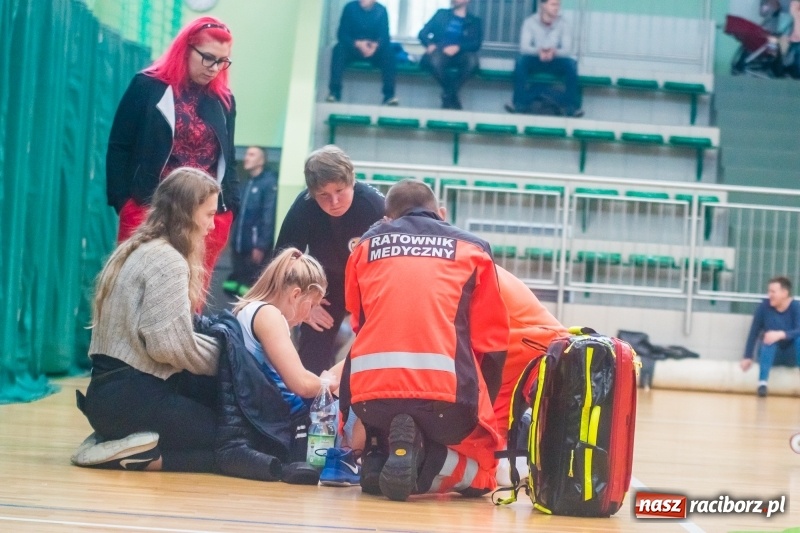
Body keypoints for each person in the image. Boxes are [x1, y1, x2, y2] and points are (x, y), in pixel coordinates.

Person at [340, 179, 509, 501]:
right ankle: (427, 461)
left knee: (368, 353)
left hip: (369, 397)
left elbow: (359, 323)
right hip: (445, 401)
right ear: (440, 213)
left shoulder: (364, 247)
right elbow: (494, 346)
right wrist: (479, 412)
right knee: (484, 479)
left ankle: (379, 454)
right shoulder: (473, 249)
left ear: (388, 219)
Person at [71, 168, 223, 472]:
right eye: (208, 214)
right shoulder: (167, 259)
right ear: (188, 212)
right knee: (228, 439)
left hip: (104, 399)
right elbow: (168, 346)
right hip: (133, 400)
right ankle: (145, 458)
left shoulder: (131, 248)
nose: (212, 224)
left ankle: (114, 441)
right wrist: (228, 359)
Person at [106, 17, 239, 284]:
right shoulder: (146, 86)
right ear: (186, 49)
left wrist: (228, 210)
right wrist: (125, 203)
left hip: (205, 217)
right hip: (149, 209)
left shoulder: (224, 100)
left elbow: (228, 158)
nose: (215, 68)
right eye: (208, 58)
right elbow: (120, 146)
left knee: (188, 299)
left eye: (222, 61)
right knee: (134, 289)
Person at [274, 145, 385, 377]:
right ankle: (310, 404)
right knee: (313, 341)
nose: (334, 202)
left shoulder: (375, 206)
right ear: (312, 193)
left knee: (377, 346)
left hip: (370, 284)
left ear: (352, 181)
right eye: (323, 195)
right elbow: (282, 260)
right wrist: (304, 306)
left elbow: (399, 264)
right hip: (326, 284)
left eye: (340, 191)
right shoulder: (303, 207)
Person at [505, 0, 583, 117]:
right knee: (520, 62)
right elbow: (524, 47)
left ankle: (571, 106)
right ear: (543, 6)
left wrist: (553, 52)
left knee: (571, 65)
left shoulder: (564, 23)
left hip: (555, 59)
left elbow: (567, 50)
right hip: (536, 58)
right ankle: (518, 103)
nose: (556, 8)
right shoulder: (530, 22)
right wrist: (539, 51)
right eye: (553, 4)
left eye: (558, 5)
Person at [224, 147, 278, 296]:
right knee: (237, 288)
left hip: (254, 248)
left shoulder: (268, 183)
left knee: (253, 287)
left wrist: (260, 245)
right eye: (247, 154)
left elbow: (268, 216)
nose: (246, 157)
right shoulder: (246, 184)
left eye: (251, 154)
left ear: (261, 160)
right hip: (239, 246)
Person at [327, 0, 398, 106]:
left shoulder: (381, 11)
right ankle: (334, 92)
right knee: (338, 50)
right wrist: (357, 44)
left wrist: (375, 46)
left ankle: (389, 96)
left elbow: (385, 36)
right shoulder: (350, 8)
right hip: (353, 47)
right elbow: (341, 34)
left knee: (389, 53)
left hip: (373, 49)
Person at [740, 276, 800, 397]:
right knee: (768, 339)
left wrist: (781, 334)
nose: (769, 295)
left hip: (791, 355)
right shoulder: (764, 307)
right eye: (769, 291)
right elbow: (754, 332)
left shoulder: (796, 307)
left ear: (784, 293)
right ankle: (762, 384)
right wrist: (747, 356)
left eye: (773, 292)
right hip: (771, 353)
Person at [418, 0, 483, 109]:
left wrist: (458, 47)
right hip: (439, 52)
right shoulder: (441, 14)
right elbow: (422, 33)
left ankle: (448, 94)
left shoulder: (474, 21)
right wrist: (429, 44)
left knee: (472, 62)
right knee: (434, 61)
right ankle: (452, 96)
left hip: (461, 54)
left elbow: (476, 44)